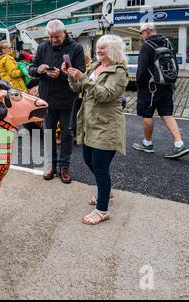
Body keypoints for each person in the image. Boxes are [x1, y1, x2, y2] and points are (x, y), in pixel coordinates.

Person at [64, 34, 128, 225]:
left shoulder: (119, 72)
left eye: (103, 48)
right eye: (98, 47)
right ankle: (105, 191)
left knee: (100, 166)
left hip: (107, 124)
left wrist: (82, 78)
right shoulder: (95, 66)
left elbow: (105, 95)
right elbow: (79, 89)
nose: (98, 51)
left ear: (114, 50)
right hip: (89, 122)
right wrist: (72, 76)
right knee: (88, 159)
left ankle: (102, 210)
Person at [29, 19, 85, 183]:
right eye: (51, 37)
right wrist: (38, 70)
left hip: (68, 98)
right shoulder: (42, 47)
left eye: (57, 37)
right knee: (48, 133)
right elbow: (31, 69)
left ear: (64, 32)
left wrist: (61, 75)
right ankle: (51, 165)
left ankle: (64, 166)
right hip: (47, 98)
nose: (53, 40)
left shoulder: (76, 48)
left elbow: (81, 72)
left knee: (67, 134)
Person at [132, 23, 189, 159]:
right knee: (167, 114)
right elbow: (174, 64)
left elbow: (141, 70)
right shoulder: (168, 43)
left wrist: (139, 86)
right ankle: (179, 144)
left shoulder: (146, 46)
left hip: (150, 88)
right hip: (167, 86)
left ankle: (147, 143)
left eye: (141, 34)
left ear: (146, 32)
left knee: (147, 115)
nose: (141, 37)